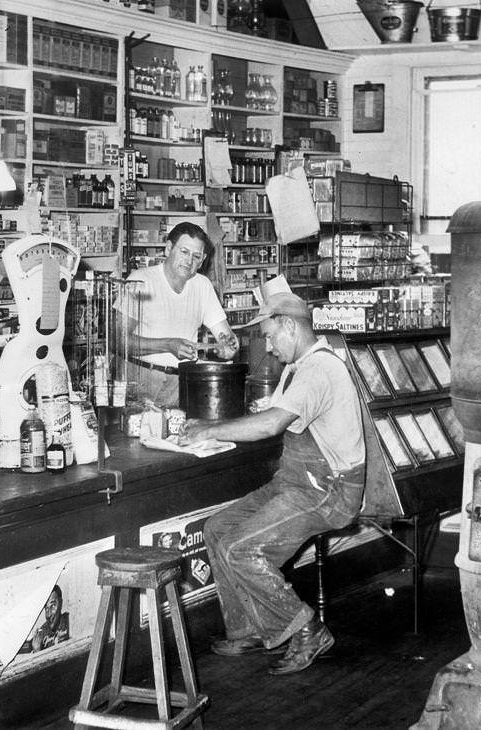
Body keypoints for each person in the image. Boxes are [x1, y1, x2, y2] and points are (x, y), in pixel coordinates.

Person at [177, 292, 365, 675]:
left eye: (270, 335)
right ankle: (251, 628)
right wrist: (211, 425)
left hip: (328, 490)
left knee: (241, 549)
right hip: (296, 481)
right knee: (218, 530)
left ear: (291, 327)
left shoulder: (318, 369)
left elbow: (271, 424)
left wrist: (209, 429)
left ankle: (309, 629)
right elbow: (271, 412)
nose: (268, 346)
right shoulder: (298, 367)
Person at [119, 222, 239, 406]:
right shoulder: (141, 280)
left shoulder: (203, 286)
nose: (189, 261)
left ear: (202, 260)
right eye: (184, 252)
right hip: (141, 379)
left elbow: (226, 337)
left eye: (196, 256)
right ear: (168, 249)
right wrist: (167, 345)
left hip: (182, 382)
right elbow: (118, 340)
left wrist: (228, 345)